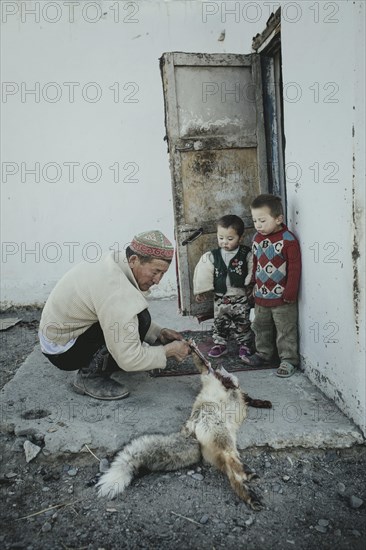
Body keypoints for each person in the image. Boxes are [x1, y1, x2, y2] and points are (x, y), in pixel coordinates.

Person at [39, 230, 191, 400]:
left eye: (162, 273)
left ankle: (105, 362)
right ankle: (89, 377)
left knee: (140, 317)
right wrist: (167, 351)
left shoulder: (116, 261)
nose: (157, 281)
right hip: (62, 350)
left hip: (58, 334)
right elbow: (130, 359)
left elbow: (125, 314)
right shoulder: (116, 288)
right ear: (134, 260)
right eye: (155, 272)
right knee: (137, 319)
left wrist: (158, 333)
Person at [241, 194, 301, 377]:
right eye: (255, 220)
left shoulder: (288, 240)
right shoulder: (258, 239)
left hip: (283, 298)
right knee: (260, 326)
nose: (258, 225)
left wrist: (290, 293)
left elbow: (295, 269)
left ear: (278, 219)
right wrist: (252, 283)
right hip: (261, 295)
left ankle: (288, 360)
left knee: (285, 329)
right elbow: (257, 263)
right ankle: (263, 353)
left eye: (262, 220)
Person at [193, 215, 254, 359]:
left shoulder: (246, 254)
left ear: (240, 237)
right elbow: (204, 272)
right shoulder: (213, 256)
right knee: (220, 322)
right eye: (221, 238)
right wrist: (202, 290)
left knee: (242, 321)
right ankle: (220, 344)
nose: (224, 242)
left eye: (230, 239)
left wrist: (251, 284)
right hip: (221, 297)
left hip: (240, 296)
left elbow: (253, 268)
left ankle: (244, 344)